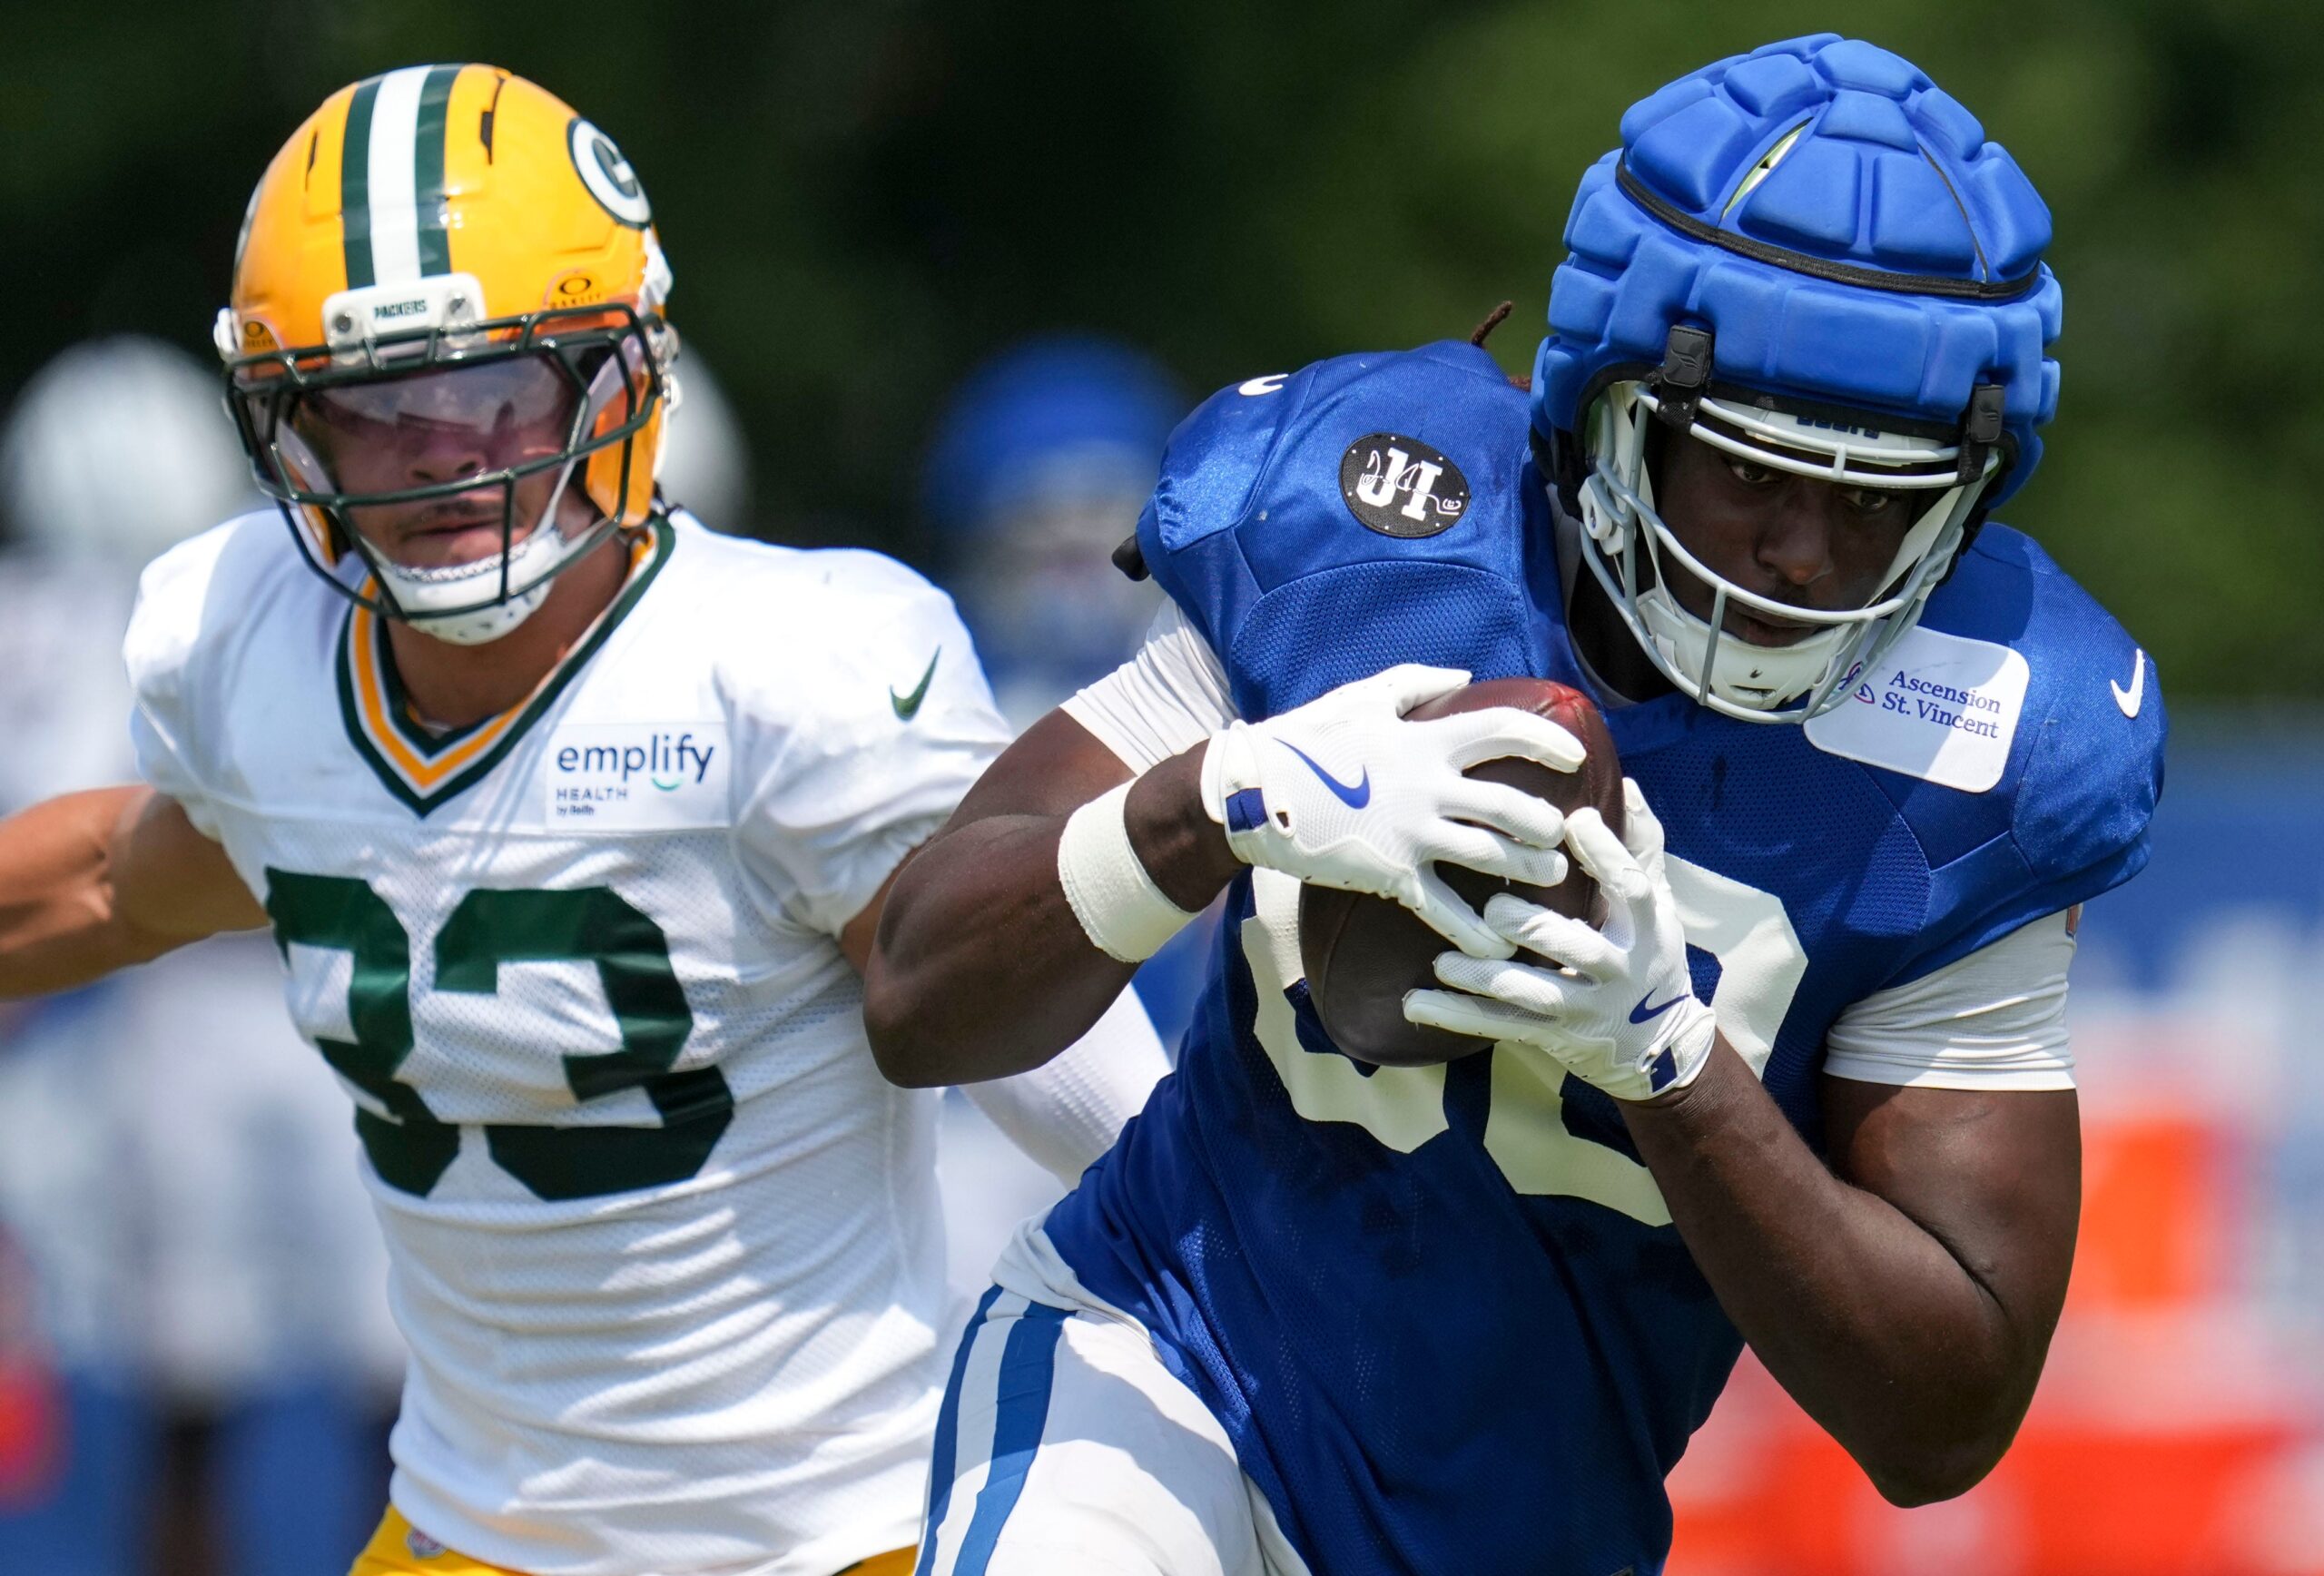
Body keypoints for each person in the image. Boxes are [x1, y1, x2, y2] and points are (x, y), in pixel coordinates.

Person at [867, 34, 2164, 1576]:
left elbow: (1943, 1415)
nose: (1810, 556)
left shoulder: (1991, 737)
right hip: (1163, 1358)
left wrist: (1668, 1064)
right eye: (1750, 474)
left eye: (1878, 502)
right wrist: (1217, 797)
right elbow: (916, 993)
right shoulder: (1368, 526)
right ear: (1616, 409)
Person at [0, 65, 1165, 1576]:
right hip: (467, 1532)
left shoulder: (786, 676)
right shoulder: (244, 647)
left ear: (621, 374)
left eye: (495, 387)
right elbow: (118, 879)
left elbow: (1056, 1056)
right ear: (284, 424)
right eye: (372, 406)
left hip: (823, 1541)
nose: (441, 451)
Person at [0, 334, 402, 1576]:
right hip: (158, 997)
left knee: (251, 1376)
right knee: (195, 1378)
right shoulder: (247, 595)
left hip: (211, 994)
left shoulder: (249, 591)